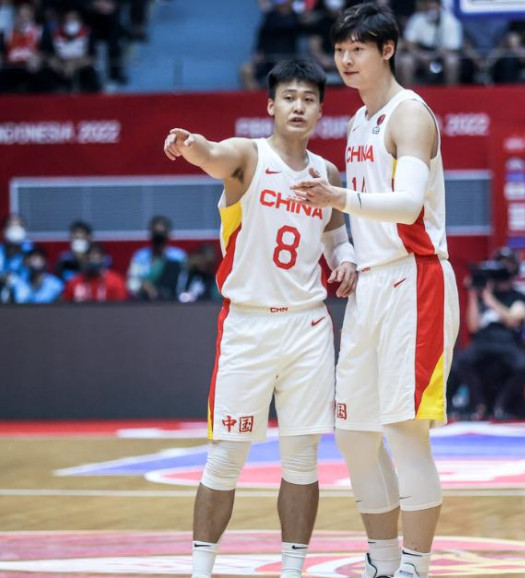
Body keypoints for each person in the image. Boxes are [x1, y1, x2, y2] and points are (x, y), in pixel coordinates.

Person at [163, 59, 357, 578]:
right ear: (271, 105)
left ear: (320, 110)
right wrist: (189, 144)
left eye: (309, 99)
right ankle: (200, 570)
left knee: (302, 459)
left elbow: (336, 236)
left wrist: (346, 261)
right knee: (225, 457)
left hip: (308, 326)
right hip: (248, 325)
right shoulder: (249, 155)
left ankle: (292, 571)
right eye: (289, 97)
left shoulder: (326, 173)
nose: (298, 106)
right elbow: (213, 155)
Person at [290, 5, 459, 578]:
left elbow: (408, 206)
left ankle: (415, 566)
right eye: (340, 50)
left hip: (416, 279)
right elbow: (363, 221)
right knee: (354, 435)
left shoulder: (408, 115)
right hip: (371, 285)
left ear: (387, 50)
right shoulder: (359, 122)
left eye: (357, 48)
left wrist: (337, 199)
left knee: (405, 433)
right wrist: (349, 257)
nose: (346, 59)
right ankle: (381, 562)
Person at [452, 247, 525, 421]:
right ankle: (480, 405)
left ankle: (500, 404)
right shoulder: (482, 295)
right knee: (461, 362)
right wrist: (474, 294)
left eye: (507, 265)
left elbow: (513, 319)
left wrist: (490, 300)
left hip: (507, 343)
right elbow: (473, 327)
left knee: (524, 367)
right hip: (483, 342)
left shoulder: (518, 297)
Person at [397, 0, 463, 86]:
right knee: (406, 61)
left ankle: (452, 92)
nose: (431, 10)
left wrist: (433, 55)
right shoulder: (417, 19)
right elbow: (409, 42)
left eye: (433, 7)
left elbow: (452, 47)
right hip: (420, 54)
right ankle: (407, 92)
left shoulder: (451, 21)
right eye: (428, 7)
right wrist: (419, 55)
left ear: (440, 7)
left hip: (440, 55)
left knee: (452, 61)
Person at [126, 215, 187, 301]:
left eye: (162, 236)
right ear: (150, 235)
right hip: (144, 300)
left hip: (172, 300)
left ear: (168, 235)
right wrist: (143, 286)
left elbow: (183, 283)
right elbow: (132, 283)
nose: (159, 240)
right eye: (156, 236)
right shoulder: (140, 256)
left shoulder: (178, 256)